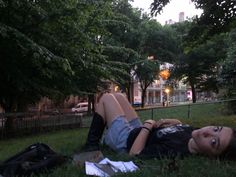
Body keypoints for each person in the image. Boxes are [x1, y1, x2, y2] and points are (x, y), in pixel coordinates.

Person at [84, 93, 236, 160]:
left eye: (214, 142)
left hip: (126, 141)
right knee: (119, 96)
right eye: (216, 129)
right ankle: (105, 136)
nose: (208, 133)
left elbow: (135, 154)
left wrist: (148, 126)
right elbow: (180, 126)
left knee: (106, 98)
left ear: (211, 156)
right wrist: (172, 121)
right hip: (137, 130)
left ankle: (91, 146)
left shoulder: (176, 150)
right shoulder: (193, 133)